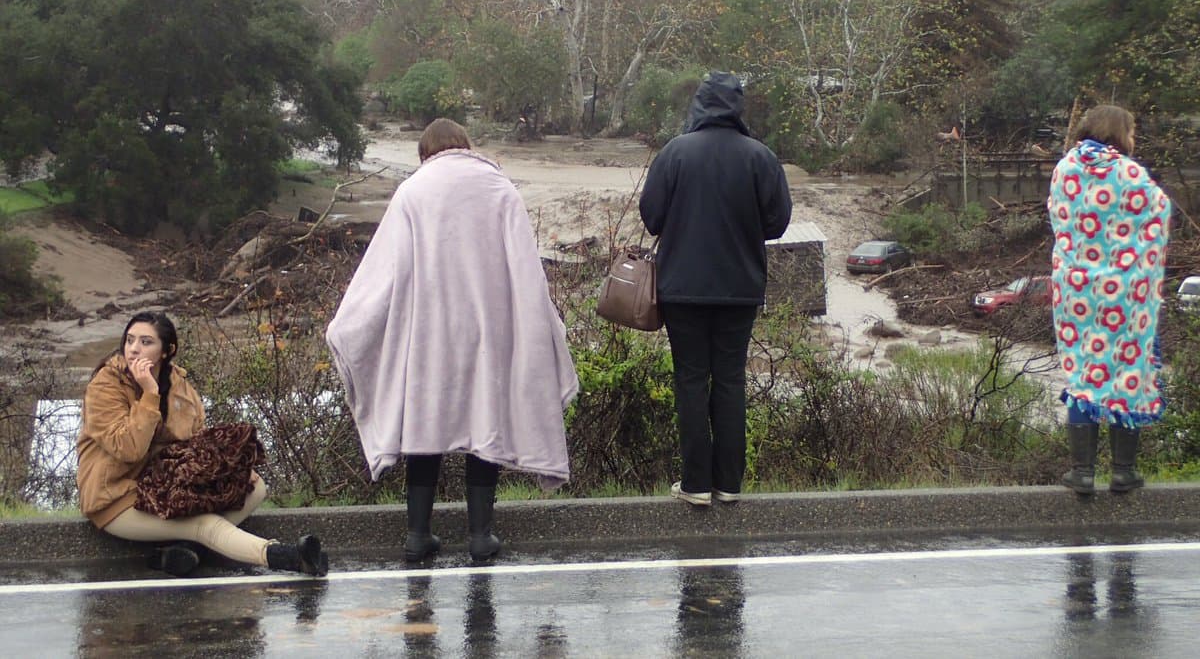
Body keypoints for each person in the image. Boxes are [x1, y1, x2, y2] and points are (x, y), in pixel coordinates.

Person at [326, 118, 579, 562]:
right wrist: (542, 328)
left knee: (425, 426)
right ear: (466, 146)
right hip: (489, 331)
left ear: (426, 153)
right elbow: (525, 272)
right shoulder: (501, 190)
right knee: (485, 424)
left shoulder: (414, 192)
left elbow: (384, 274)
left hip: (429, 336)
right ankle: (481, 536)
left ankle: (417, 535)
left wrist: (350, 326)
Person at [639, 72, 792, 507]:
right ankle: (728, 483)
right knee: (729, 379)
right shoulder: (761, 157)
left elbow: (651, 217)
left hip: (682, 289)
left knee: (690, 380)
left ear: (700, 104)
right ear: (737, 107)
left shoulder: (675, 153)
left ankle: (694, 485)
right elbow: (777, 223)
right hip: (739, 287)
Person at [77, 311, 328, 576]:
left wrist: (216, 464)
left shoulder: (179, 387)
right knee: (204, 525)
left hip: (163, 485)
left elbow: (192, 442)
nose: (134, 349)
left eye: (146, 342)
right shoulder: (106, 384)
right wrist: (149, 394)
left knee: (252, 485)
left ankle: (184, 551)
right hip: (117, 497)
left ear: (166, 350)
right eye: (129, 340)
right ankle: (287, 557)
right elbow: (128, 449)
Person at [1047, 104, 1171, 495]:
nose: (1133, 140)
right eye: (1132, 132)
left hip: (1076, 291)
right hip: (1124, 294)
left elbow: (1058, 215)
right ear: (1119, 133)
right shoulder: (1129, 173)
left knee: (1085, 371)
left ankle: (1082, 472)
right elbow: (1159, 211)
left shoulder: (1065, 168)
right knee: (1125, 371)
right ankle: (1123, 471)